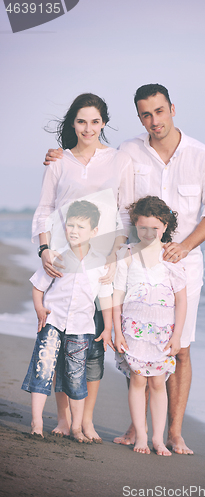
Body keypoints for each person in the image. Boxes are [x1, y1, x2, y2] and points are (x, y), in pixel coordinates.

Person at [44, 83, 205, 454]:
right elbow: (92, 158)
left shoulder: (204, 158)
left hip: (180, 267)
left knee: (179, 348)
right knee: (134, 348)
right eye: (145, 114)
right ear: (138, 116)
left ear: (172, 108)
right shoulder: (127, 151)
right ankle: (136, 428)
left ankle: (174, 432)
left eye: (159, 111)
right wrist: (59, 155)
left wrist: (184, 245)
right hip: (131, 268)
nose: (153, 120)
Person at [35, 93, 134, 442]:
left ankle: (86, 421)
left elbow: (125, 212)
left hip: (102, 265)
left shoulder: (120, 160)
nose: (88, 128)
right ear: (72, 123)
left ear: (103, 123)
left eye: (94, 121)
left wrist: (114, 255)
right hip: (63, 260)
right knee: (61, 340)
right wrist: (44, 249)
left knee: (91, 344)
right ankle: (64, 419)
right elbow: (45, 208)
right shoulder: (59, 161)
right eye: (81, 121)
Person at [22, 201, 113, 441]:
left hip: (81, 329)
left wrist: (109, 329)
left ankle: (76, 427)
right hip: (52, 322)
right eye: (70, 225)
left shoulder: (100, 263)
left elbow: (105, 299)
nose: (73, 231)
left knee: (75, 376)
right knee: (43, 369)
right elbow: (38, 286)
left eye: (81, 227)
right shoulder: (56, 256)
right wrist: (39, 308)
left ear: (94, 232)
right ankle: (37, 422)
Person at [113, 196, 187, 455]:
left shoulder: (171, 258)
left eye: (154, 228)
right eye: (142, 227)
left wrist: (177, 336)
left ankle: (158, 438)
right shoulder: (127, 254)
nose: (148, 232)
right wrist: (117, 331)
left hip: (163, 332)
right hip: (132, 330)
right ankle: (141, 437)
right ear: (135, 225)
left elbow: (181, 300)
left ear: (164, 226)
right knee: (137, 380)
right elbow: (117, 296)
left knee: (158, 383)